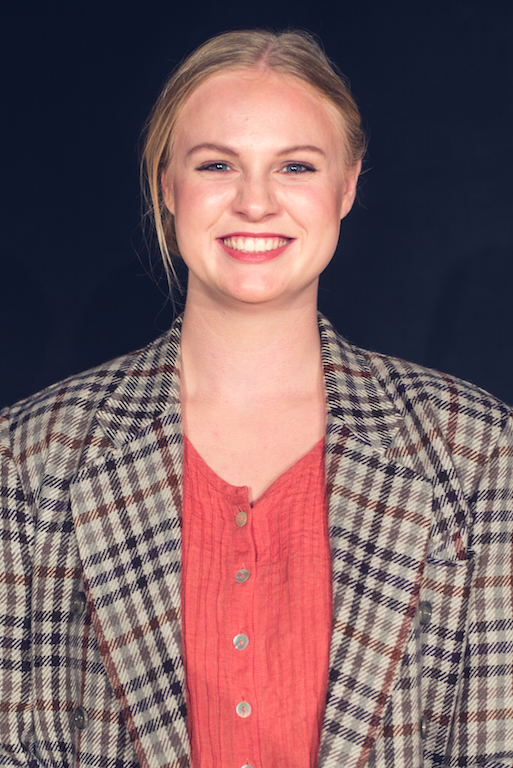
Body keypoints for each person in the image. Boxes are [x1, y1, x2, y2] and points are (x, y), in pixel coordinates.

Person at [1, 28, 512, 768]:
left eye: (295, 166)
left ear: (346, 186)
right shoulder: (30, 456)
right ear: (167, 185)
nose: (254, 202)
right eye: (217, 165)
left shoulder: (476, 450)